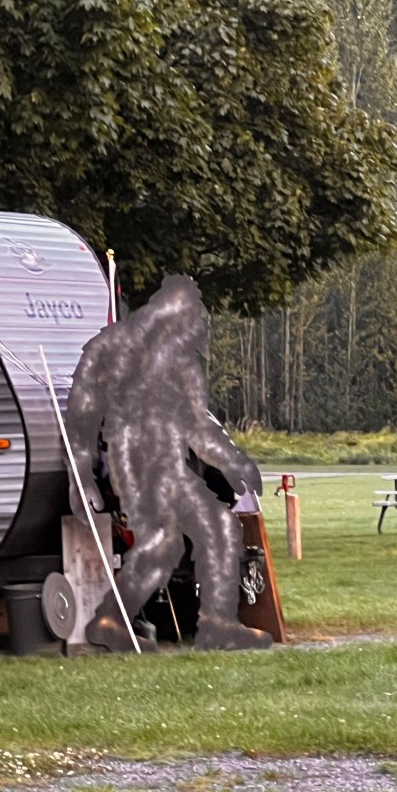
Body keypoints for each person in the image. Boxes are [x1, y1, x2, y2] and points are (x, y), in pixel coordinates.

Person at [65, 275, 271, 652]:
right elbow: (80, 419)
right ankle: (111, 619)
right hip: (128, 457)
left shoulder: (180, 362)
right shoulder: (111, 347)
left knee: (219, 526)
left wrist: (235, 462)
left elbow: (199, 427)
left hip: (170, 460)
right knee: (163, 540)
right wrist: (81, 477)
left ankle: (218, 625)